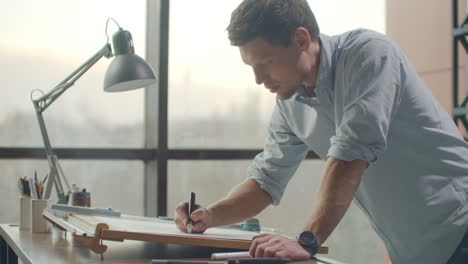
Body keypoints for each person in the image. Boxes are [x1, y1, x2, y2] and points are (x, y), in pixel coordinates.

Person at [174, 1, 468, 263]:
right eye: (251, 67)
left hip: (461, 227)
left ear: (301, 39)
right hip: (413, 250)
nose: (258, 79)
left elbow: (350, 153)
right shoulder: (290, 104)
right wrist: (210, 216)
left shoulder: (369, 54)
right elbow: (265, 181)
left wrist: (307, 240)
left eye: (265, 63)